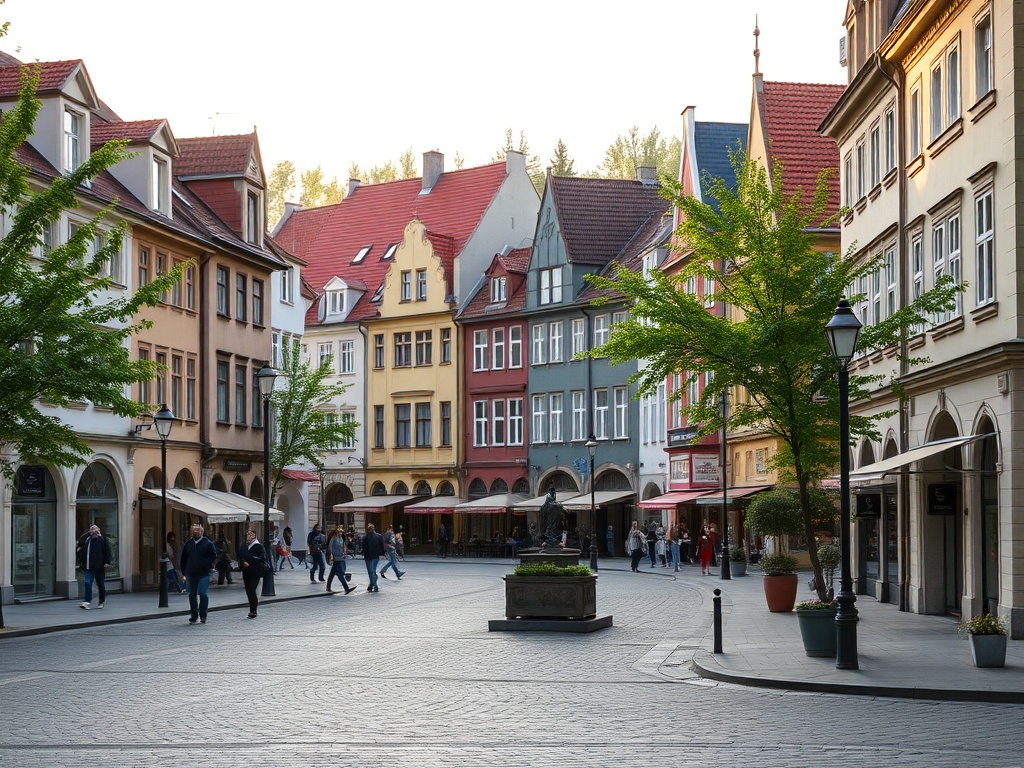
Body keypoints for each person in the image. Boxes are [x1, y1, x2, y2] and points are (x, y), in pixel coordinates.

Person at [181, 522, 217, 624]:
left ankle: (203, 614)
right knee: (192, 594)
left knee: (203, 594)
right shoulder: (189, 544)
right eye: (194, 530)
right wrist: (184, 571)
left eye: (198, 529)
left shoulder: (208, 543)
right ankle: (194, 615)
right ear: (191, 531)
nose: (196, 531)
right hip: (190, 573)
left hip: (204, 573)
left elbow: (213, 556)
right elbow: (183, 558)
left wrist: (206, 564)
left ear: (202, 531)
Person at [76, 524, 111, 609]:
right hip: (88, 566)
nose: (93, 530)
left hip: (99, 566)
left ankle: (101, 601)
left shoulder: (103, 539)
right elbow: (80, 543)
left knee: (100, 584)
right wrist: (87, 534)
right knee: (88, 584)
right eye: (91, 529)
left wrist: (107, 562)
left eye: (95, 529)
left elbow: (107, 551)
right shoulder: (88, 539)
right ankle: (86, 602)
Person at [239, 529, 266, 618]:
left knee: (252, 588)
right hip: (246, 571)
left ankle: (253, 610)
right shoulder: (244, 546)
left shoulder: (259, 546)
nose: (249, 537)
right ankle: (252, 607)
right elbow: (240, 556)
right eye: (247, 535)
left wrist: (250, 561)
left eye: (251, 535)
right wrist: (243, 562)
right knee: (248, 590)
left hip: (255, 571)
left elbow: (262, 558)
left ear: (254, 536)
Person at [326, 527, 355, 594]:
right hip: (336, 558)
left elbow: (344, 546)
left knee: (332, 573)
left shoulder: (341, 539)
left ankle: (328, 587)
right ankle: (346, 588)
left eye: (341, 532)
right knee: (340, 575)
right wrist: (332, 556)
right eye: (339, 532)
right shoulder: (332, 539)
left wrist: (345, 552)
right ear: (336, 533)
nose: (340, 533)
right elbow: (330, 548)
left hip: (341, 557)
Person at [362, 523, 386, 592]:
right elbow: (382, 546)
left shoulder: (366, 537)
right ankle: (374, 585)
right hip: (375, 556)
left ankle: (373, 585)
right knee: (373, 571)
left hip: (369, 556)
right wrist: (383, 553)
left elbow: (363, 547)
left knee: (371, 572)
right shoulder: (379, 536)